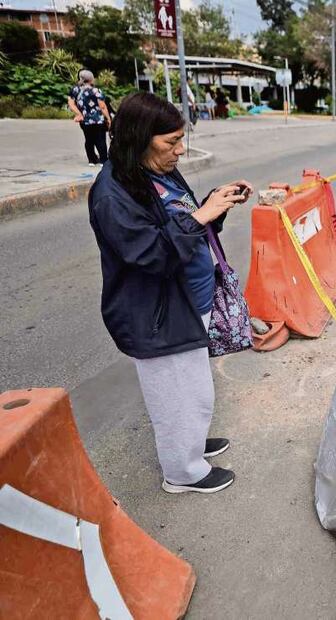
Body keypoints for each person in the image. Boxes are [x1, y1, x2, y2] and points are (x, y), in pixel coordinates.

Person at [88, 92, 253, 494]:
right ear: (138, 138)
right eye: (170, 143)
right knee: (174, 399)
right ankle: (182, 473)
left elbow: (183, 219)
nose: (180, 151)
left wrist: (218, 203)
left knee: (193, 389)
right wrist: (201, 215)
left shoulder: (156, 172)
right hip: (154, 313)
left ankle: (189, 446)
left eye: (182, 140)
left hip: (184, 301)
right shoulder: (112, 194)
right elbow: (152, 254)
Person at [68, 70, 112, 166]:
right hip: (98, 120)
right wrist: (108, 118)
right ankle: (103, 160)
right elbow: (103, 107)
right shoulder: (96, 91)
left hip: (85, 121)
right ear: (91, 79)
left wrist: (79, 114)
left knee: (89, 139)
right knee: (100, 139)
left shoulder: (75, 90)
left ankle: (91, 160)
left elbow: (71, 104)